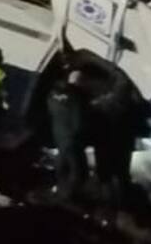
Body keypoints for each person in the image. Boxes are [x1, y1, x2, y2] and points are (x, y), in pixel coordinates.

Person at [86, 65, 138, 209]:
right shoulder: (131, 107)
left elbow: (91, 121)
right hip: (123, 147)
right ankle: (123, 204)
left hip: (103, 146)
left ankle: (107, 204)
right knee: (122, 176)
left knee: (104, 176)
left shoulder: (100, 104)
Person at [47, 68, 89, 200]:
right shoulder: (77, 96)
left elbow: (51, 110)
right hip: (72, 137)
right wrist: (82, 136)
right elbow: (79, 119)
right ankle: (68, 196)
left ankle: (60, 189)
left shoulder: (54, 93)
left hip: (58, 133)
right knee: (79, 169)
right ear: (80, 82)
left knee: (62, 162)